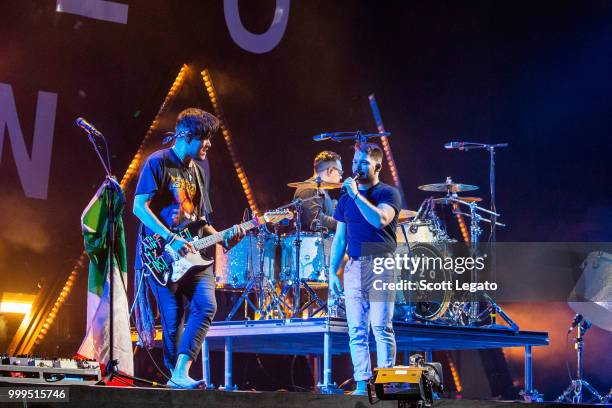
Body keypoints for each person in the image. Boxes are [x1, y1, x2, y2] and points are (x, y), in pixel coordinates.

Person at [133, 108, 242, 389]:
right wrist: (170, 238)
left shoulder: (198, 171)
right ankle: (175, 378)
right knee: (172, 323)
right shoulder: (158, 162)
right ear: (187, 135)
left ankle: (182, 370)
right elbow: (138, 207)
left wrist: (222, 237)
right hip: (160, 256)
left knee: (206, 305)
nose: (209, 144)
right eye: (206, 138)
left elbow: (200, 221)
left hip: (193, 256)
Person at [328, 142, 402, 395]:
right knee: (356, 329)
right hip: (354, 266)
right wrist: (332, 271)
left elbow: (380, 219)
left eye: (363, 163)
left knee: (381, 326)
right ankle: (362, 383)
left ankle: (385, 384)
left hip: (382, 263)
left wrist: (357, 195)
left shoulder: (388, 194)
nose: (356, 168)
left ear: (377, 166)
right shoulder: (346, 198)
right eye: (355, 162)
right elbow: (340, 238)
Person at [292, 150, 343, 232]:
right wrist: (344, 224)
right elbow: (316, 220)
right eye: (340, 172)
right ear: (330, 171)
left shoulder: (322, 190)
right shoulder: (309, 188)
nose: (341, 177)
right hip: (311, 244)